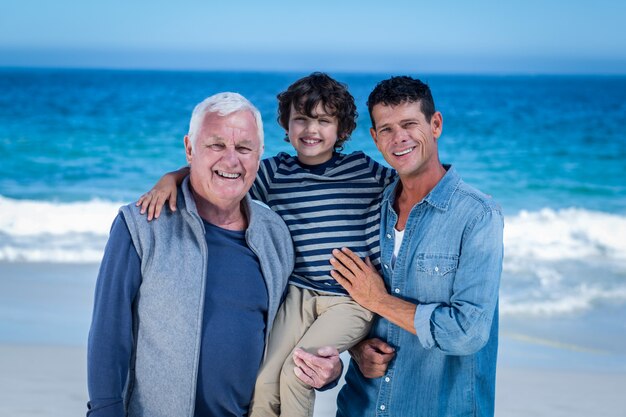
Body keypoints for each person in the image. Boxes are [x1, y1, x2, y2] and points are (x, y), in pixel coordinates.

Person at [137, 73, 396, 416]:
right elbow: (224, 172)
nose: (310, 129)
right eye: (300, 119)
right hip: (297, 293)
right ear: (286, 127)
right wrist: (172, 178)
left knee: (297, 373)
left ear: (342, 129)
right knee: (261, 384)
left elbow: (413, 186)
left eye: (323, 120)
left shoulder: (364, 170)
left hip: (350, 298)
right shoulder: (274, 173)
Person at [86, 92, 340, 417]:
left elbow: (295, 332)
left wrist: (328, 374)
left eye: (244, 148)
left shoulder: (276, 234)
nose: (231, 160)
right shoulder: (141, 225)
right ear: (190, 149)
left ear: (259, 155)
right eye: (216, 145)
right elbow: (110, 331)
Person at [330, 76, 504, 417]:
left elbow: (468, 333)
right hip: (360, 407)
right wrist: (355, 347)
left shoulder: (478, 216)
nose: (399, 139)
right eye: (386, 129)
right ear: (375, 138)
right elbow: (345, 302)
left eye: (410, 124)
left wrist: (380, 300)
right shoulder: (371, 209)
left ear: (435, 124)